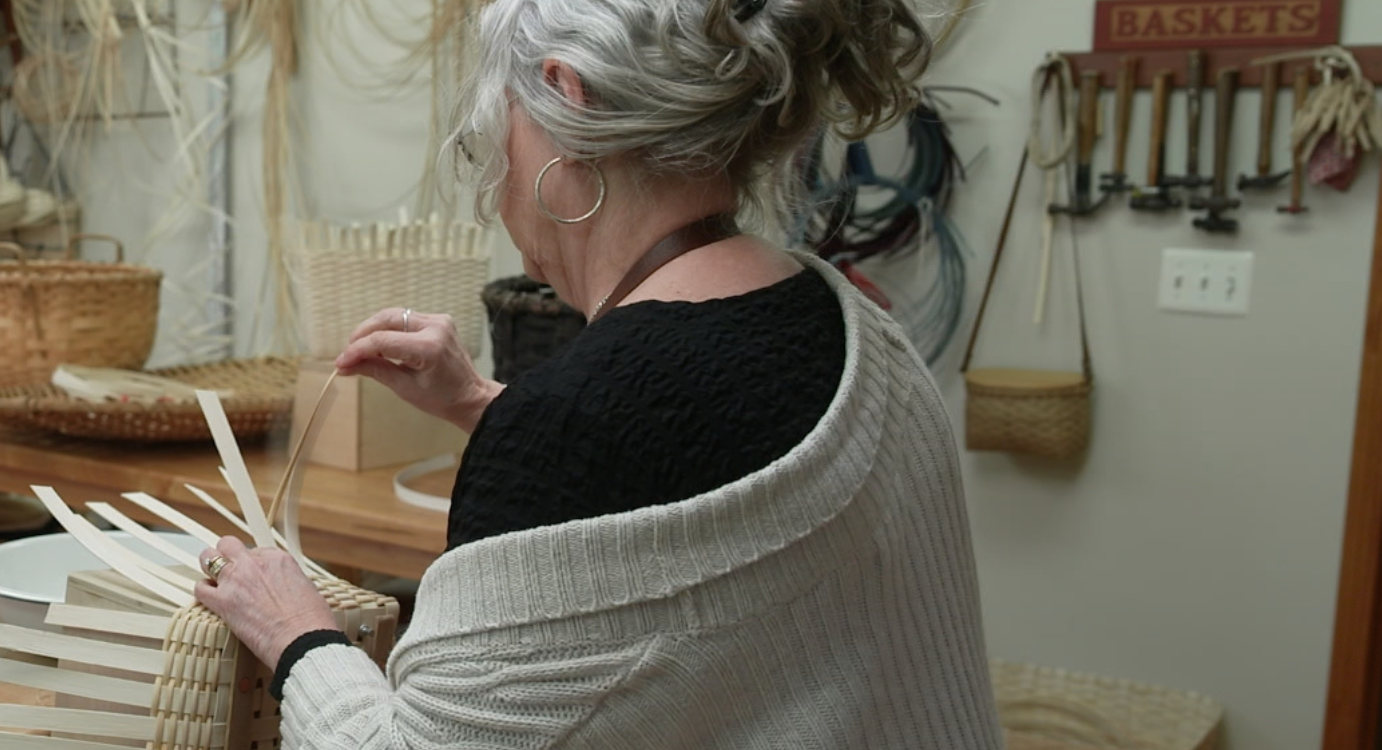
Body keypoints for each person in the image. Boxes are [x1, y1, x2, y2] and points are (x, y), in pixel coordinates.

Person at [189, 0, 1003, 747]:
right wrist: (484, 406)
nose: (497, 173)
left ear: (566, 105)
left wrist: (297, 632)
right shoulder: (861, 331)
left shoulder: (567, 431)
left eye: (497, 126)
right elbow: (700, 483)